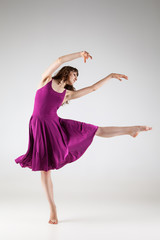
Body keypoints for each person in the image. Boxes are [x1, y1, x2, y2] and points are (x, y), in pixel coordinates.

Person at [15, 51, 152, 224]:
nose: (76, 78)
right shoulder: (46, 80)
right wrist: (80, 54)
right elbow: (59, 60)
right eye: (75, 74)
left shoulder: (66, 94)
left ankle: (132, 129)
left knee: (96, 130)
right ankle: (53, 209)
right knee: (45, 169)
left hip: (57, 127)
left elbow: (93, 88)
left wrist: (110, 76)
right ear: (67, 72)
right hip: (40, 128)